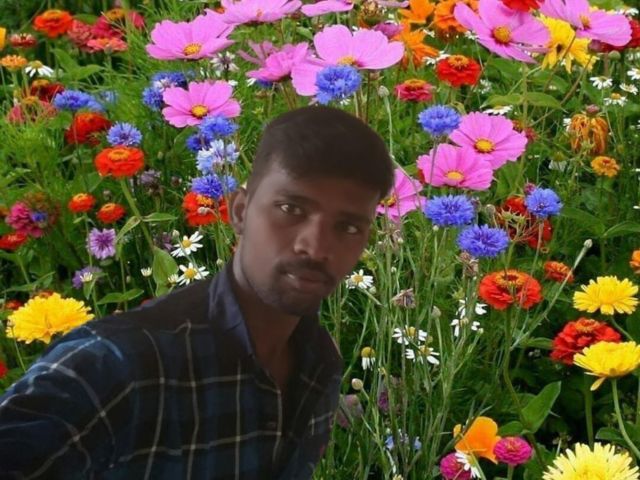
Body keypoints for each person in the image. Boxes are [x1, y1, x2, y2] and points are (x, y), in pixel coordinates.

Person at [0, 105, 394, 479]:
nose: (316, 247)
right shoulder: (117, 364)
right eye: (291, 209)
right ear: (239, 211)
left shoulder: (318, 360)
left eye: (348, 227)